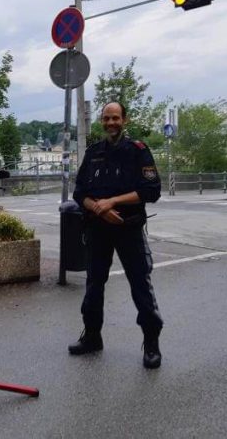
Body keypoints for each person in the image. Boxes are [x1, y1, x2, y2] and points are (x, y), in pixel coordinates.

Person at [69, 102, 164, 369]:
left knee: (140, 285)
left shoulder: (138, 151)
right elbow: (79, 194)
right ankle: (92, 336)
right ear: (102, 121)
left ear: (125, 120)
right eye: (107, 118)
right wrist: (99, 209)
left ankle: (152, 343)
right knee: (94, 285)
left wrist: (111, 202)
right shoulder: (94, 152)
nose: (111, 122)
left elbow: (151, 191)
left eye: (115, 118)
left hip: (129, 228)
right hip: (98, 228)